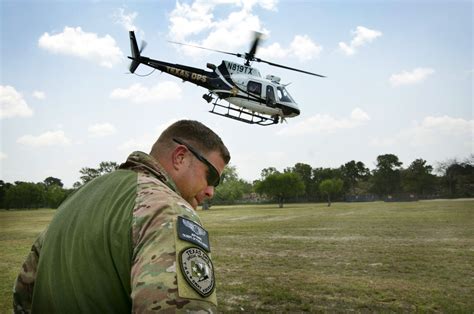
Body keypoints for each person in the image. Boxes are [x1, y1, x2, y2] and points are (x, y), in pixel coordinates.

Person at [13, 120, 230, 313]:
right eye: (211, 176)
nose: (211, 191)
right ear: (180, 157)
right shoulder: (169, 210)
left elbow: (24, 293)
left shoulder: (74, 201)